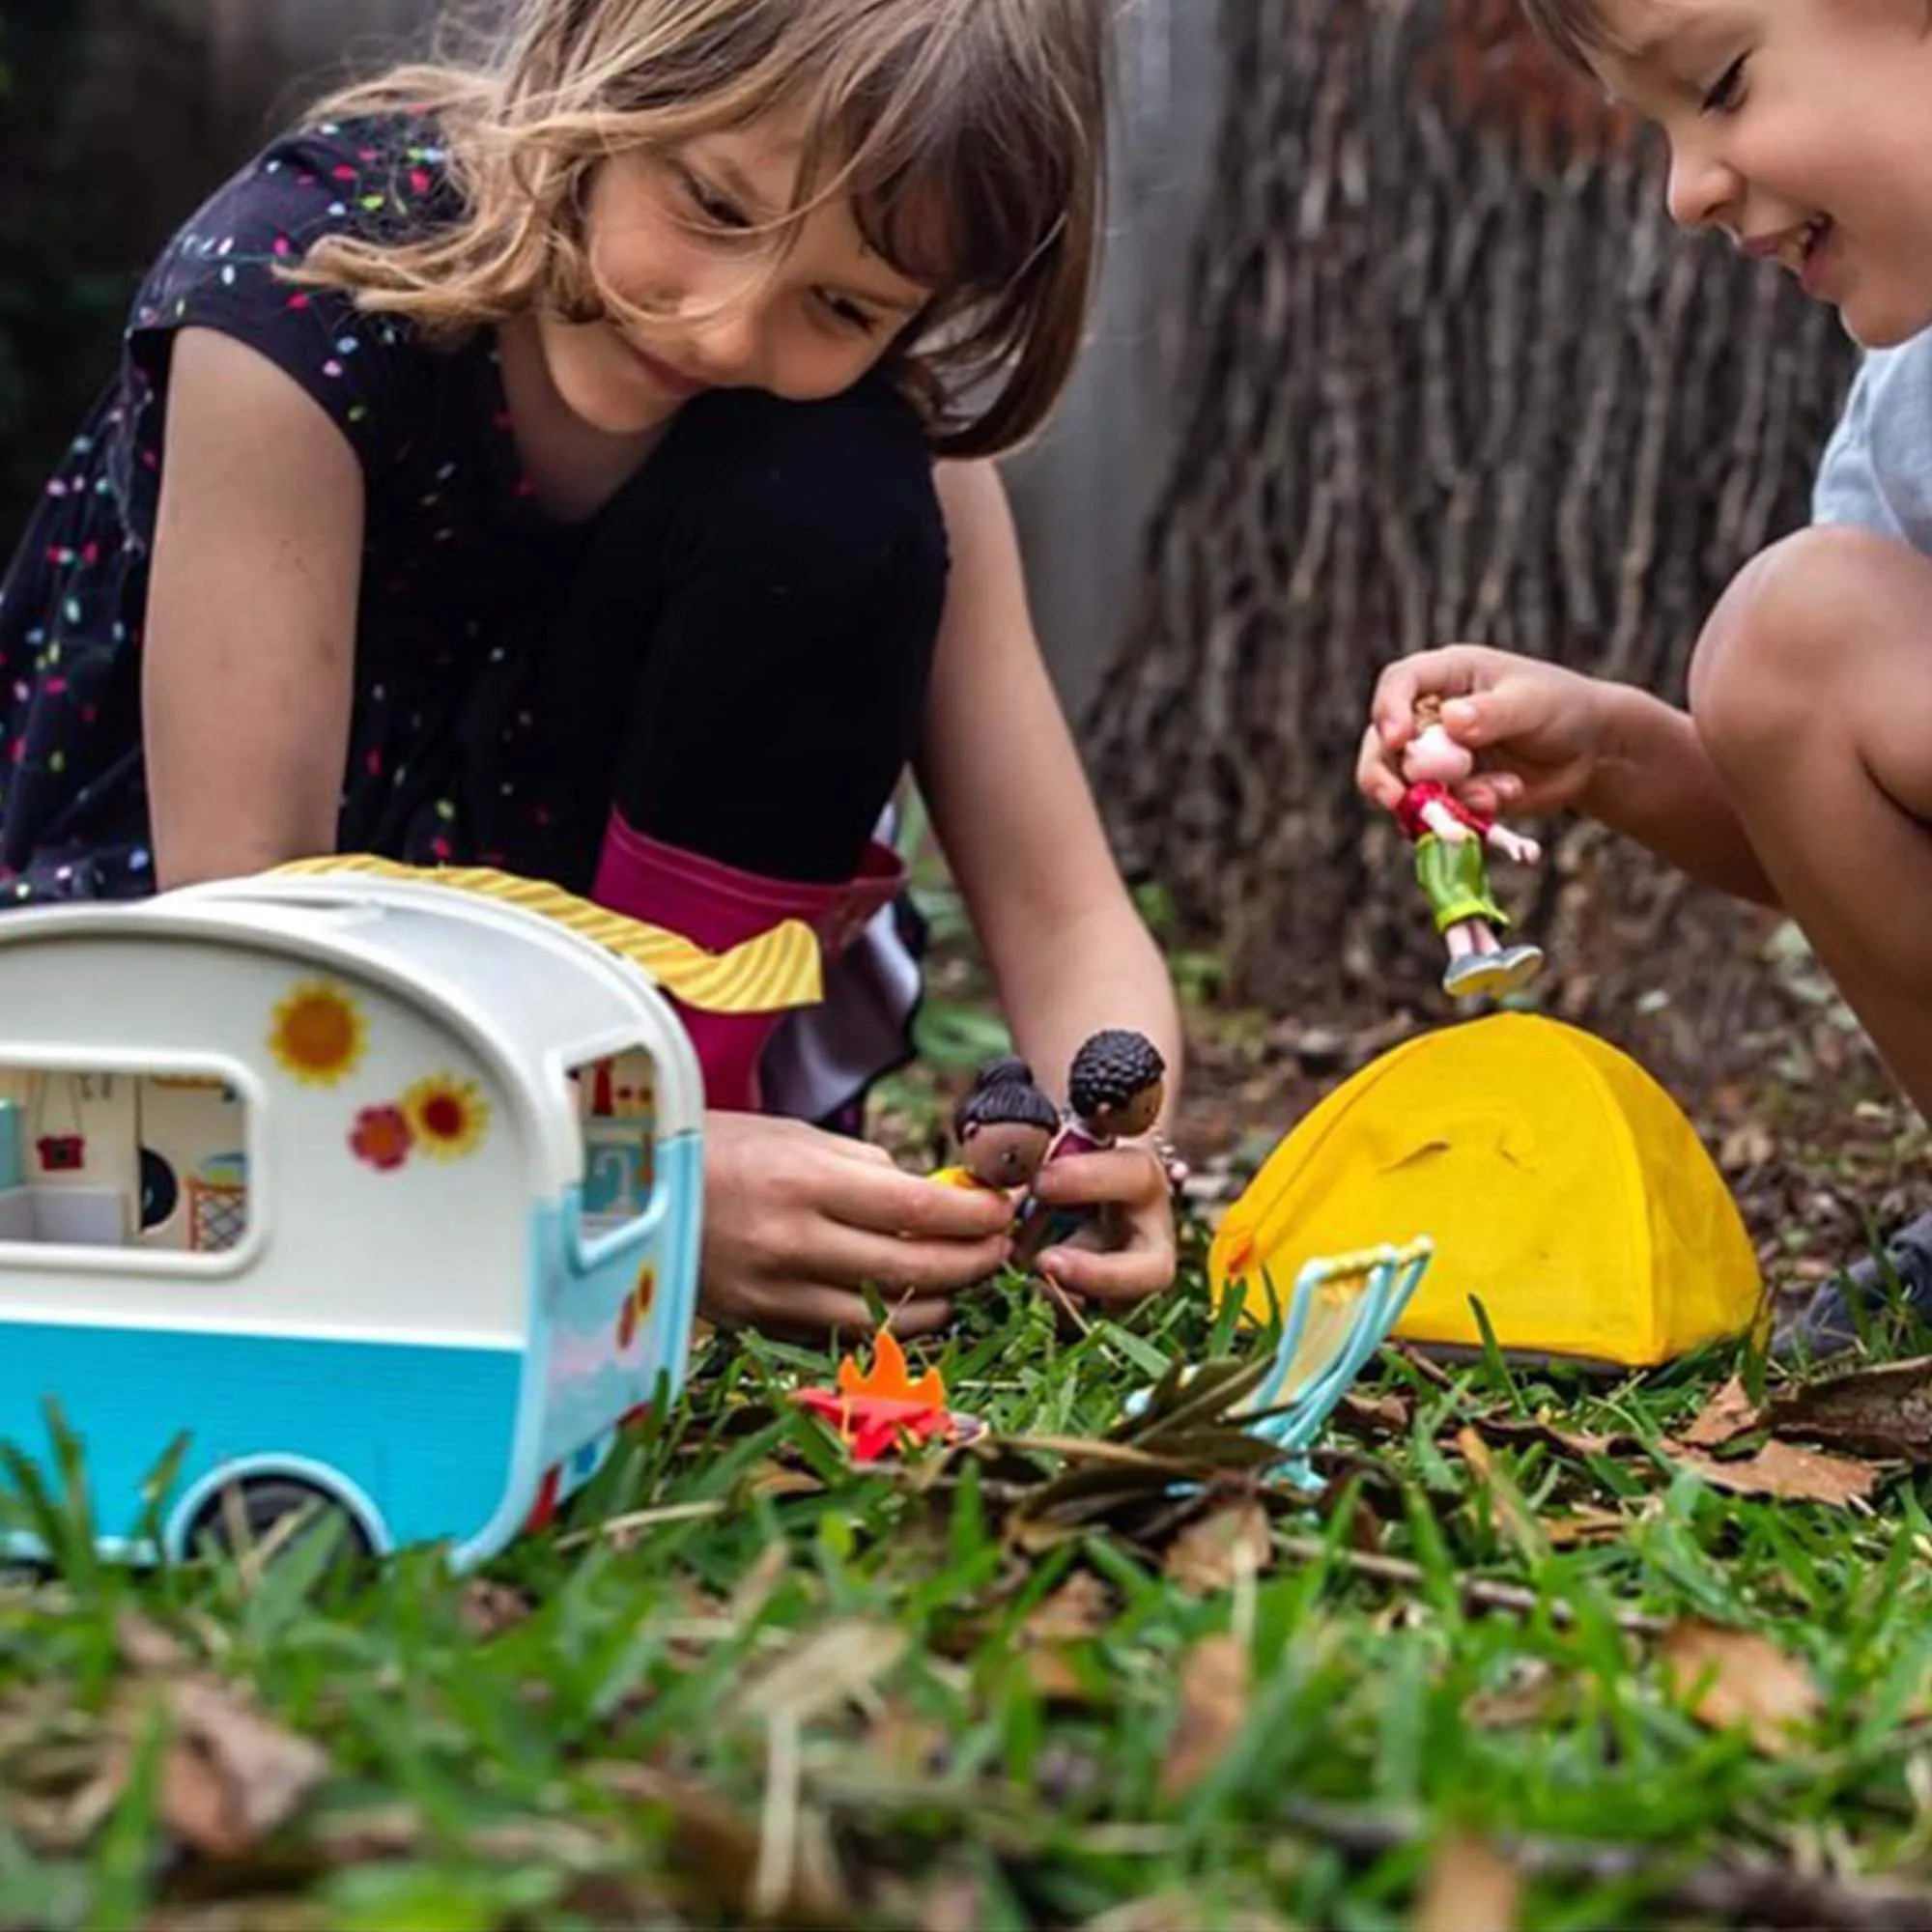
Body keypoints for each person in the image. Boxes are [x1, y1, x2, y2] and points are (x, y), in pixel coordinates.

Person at [0, 0, 1181, 1340]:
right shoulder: (294, 309)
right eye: (713, 205)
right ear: (602, 62)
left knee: (847, 493)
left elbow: (1069, 914)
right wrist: (630, 1190)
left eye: (842, 304)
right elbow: (246, 977)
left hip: (621, 1058)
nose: (730, 331)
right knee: (127, 1179)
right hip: (201, 1040)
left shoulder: (870, 431)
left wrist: (1120, 1143)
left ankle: (703, 1115)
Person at [1355, 0, 1932, 1353]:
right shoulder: (1906, 403)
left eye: (1723, 84)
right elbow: (1858, 830)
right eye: (1662, 130)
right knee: (1794, 643)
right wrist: (1614, 752)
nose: (1687, 193)